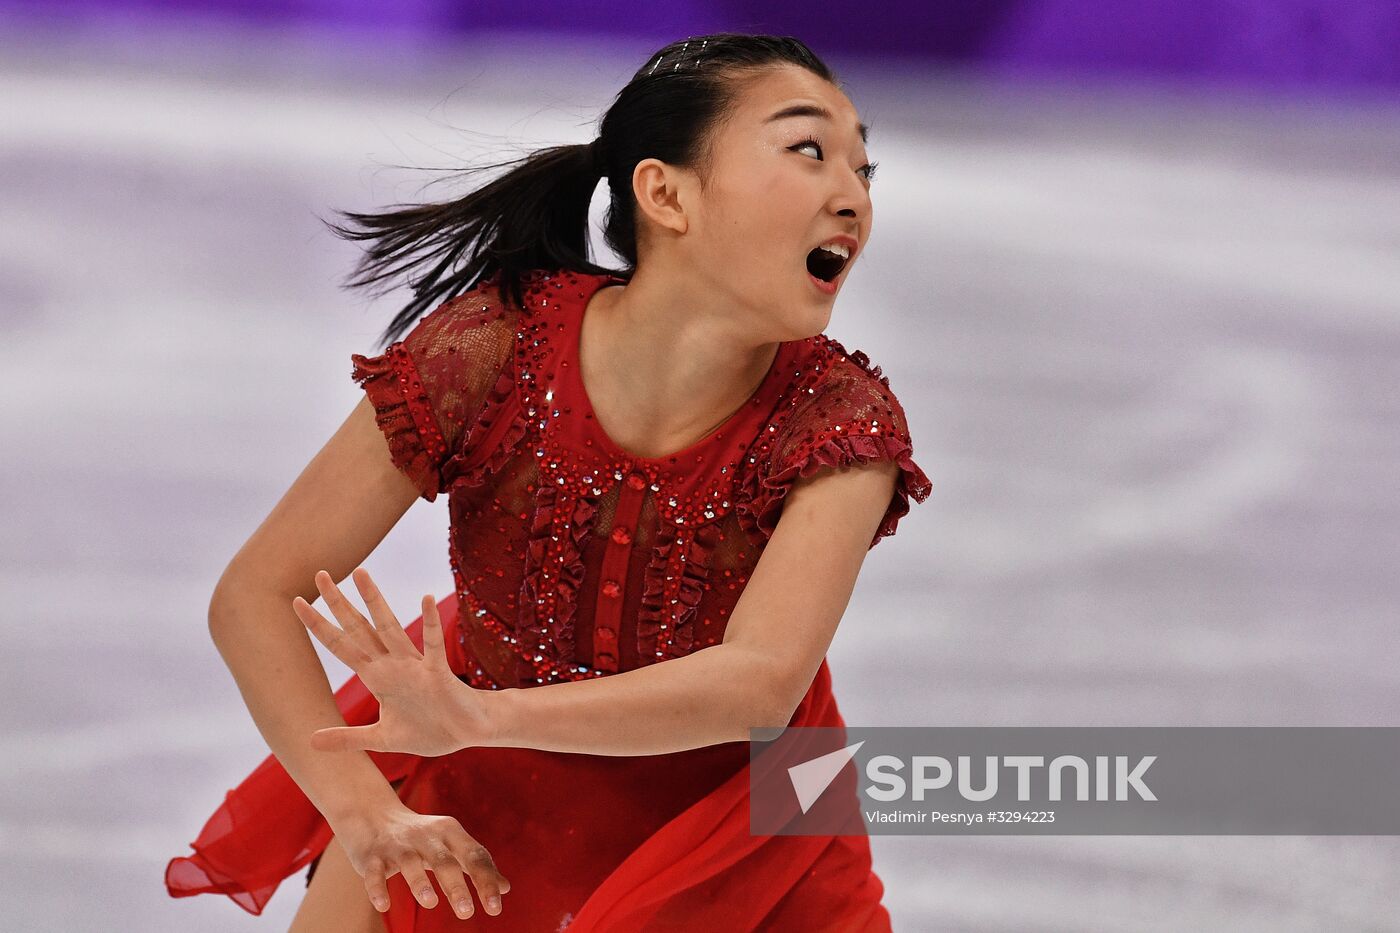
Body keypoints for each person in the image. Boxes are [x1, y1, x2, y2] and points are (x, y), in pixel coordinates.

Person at [164, 32, 932, 932]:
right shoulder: (494, 351)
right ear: (665, 193)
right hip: (480, 812)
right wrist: (365, 810)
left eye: (864, 168)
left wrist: (477, 716)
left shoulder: (838, 419)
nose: (854, 196)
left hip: (751, 834)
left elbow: (758, 684)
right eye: (809, 151)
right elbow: (256, 593)